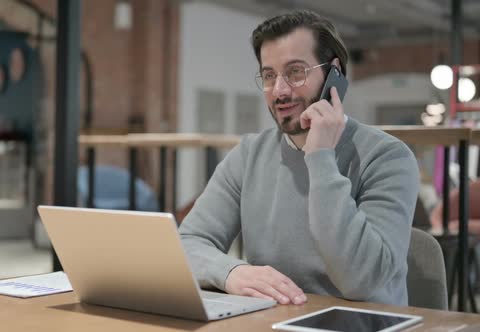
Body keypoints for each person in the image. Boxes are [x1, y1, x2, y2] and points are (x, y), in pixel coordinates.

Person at [179, 10, 419, 307]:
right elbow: (186, 243)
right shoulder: (248, 156)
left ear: (335, 74)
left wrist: (320, 157)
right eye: (269, 76)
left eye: (295, 72)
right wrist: (232, 271)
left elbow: (361, 280)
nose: (279, 90)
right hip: (274, 321)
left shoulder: (388, 158)